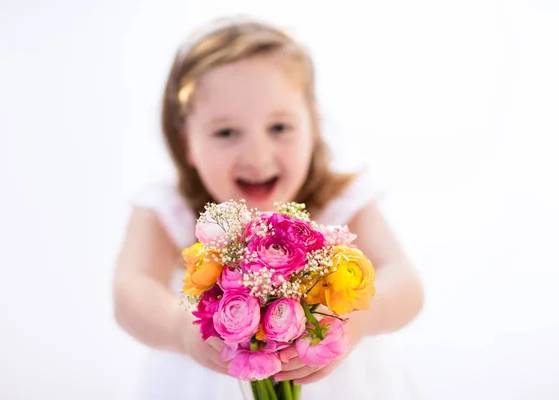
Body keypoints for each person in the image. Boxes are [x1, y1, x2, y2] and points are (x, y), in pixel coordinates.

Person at [113, 16, 424, 399]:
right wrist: (180, 329)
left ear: (312, 125)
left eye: (279, 128)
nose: (257, 155)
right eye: (225, 132)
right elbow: (130, 291)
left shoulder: (341, 201)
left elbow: (407, 285)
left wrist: (358, 320)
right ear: (186, 143)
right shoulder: (167, 208)